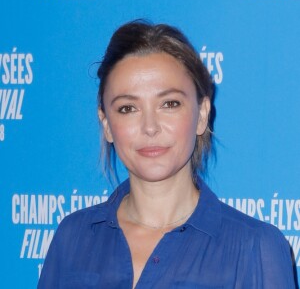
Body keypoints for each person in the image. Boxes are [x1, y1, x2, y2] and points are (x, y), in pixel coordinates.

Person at [38, 21, 296, 289]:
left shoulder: (255, 248)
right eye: (128, 108)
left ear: (202, 114)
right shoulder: (73, 237)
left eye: (169, 104)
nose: (150, 127)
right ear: (106, 125)